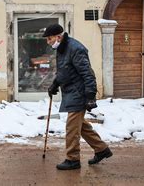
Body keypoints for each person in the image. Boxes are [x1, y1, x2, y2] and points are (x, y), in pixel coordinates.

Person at [43, 23, 113, 170]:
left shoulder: (75, 49)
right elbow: (64, 71)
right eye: (47, 39)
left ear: (59, 36)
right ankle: (101, 149)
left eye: (50, 39)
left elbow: (88, 74)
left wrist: (90, 96)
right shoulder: (62, 48)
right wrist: (55, 84)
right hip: (72, 91)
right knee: (80, 126)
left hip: (80, 93)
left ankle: (72, 159)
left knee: (72, 127)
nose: (48, 42)